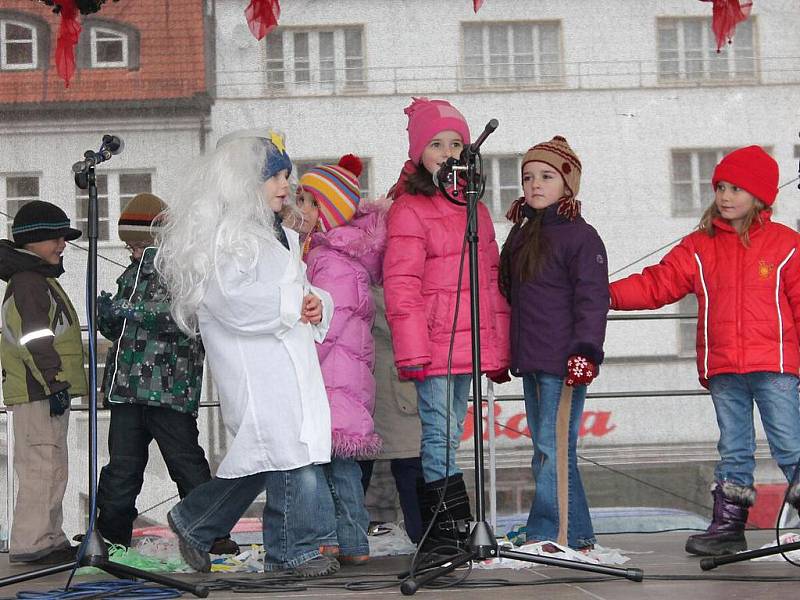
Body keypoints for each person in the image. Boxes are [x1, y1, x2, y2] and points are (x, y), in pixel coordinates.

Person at [154, 128, 338, 577]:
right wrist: (291, 305)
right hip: (257, 370)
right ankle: (291, 552)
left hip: (286, 364)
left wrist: (316, 302)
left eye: (286, 177)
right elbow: (230, 300)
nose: (285, 187)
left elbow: (293, 290)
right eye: (275, 178)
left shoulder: (280, 236)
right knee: (289, 459)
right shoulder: (227, 240)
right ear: (243, 185)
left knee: (270, 457)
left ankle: (196, 522)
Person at [609, 146, 800, 556]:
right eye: (721, 188)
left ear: (761, 196)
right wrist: (603, 294)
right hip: (724, 368)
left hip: (775, 367)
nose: (726, 196)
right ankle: (728, 526)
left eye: (737, 189)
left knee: (789, 442)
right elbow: (657, 283)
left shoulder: (785, 245)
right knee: (734, 446)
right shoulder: (699, 246)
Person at [382, 97, 511, 547]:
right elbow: (401, 284)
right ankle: (446, 532)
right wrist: (414, 350)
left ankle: (453, 528)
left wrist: (496, 348)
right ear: (419, 153)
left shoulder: (473, 207)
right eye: (436, 144)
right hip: (434, 344)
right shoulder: (409, 209)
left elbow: (490, 281)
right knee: (438, 433)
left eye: (456, 143)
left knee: (453, 433)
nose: (448, 152)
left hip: (468, 343)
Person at [94, 193, 237, 555]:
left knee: (185, 463)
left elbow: (185, 318)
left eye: (138, 244)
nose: (131, 251)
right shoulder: (131, 275)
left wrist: (129, 310)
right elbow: (122, 330)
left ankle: (211, 535)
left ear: (159, 238)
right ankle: (111, 537)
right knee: (121, 469)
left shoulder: (184, 271)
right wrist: (108, 317)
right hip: (127, 390)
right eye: (128, 245)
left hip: (169, 391)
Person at [499, 136, 608, 552]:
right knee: (545, 449)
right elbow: (512, 296)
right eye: (527, 177)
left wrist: (585, 351)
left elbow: (592, 298)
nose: (534, 184)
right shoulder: (523, 234)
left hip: (565, 361)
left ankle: (550, 534)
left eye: (546, 176)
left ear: (568, 184)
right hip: (532, 358)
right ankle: (575, 534)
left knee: (554, 447)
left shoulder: (581, 237)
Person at [299, 154, 385, 564]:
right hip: (344, 380)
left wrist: (299, 362)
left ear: (326, 212)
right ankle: (349, 542)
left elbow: (326, 326)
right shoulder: (340, 258)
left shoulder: (329, 262)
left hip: (330, 379)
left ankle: (339, 541)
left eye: (308, 201)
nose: (300, 209)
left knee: (330, 468)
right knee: (341, 468)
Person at [0, 201, 87, 564]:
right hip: (40, 392)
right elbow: (34, 339)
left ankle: (49, 537)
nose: (62, 244)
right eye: (55, 237)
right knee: (40, 467)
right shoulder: (29, 283)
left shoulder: (37, 280)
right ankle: (31, 543)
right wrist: (53, 383)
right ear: (32, 241)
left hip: (47, 390)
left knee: (51, 465)